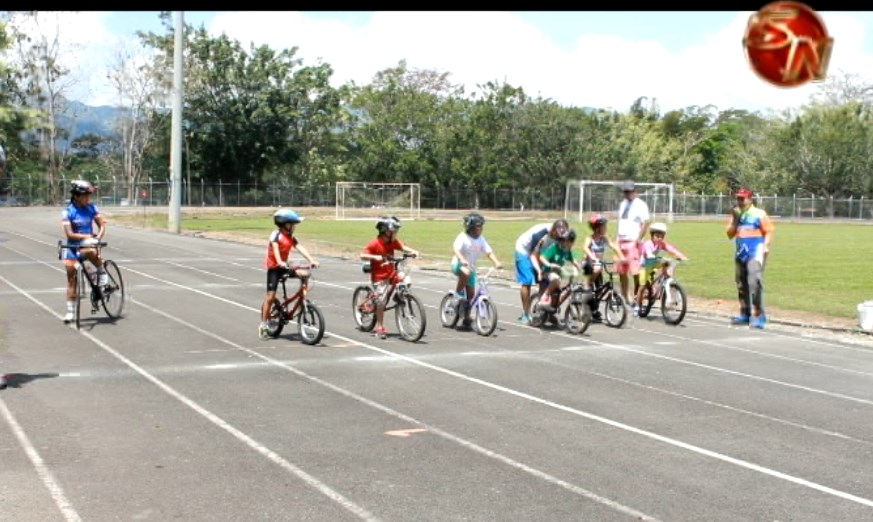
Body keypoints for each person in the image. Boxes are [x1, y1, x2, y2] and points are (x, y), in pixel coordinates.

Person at [259, 209, 320, 340]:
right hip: (275, 268)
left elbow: (300, 247)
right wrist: (280, 261)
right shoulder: (276, 235)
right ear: (285, 224)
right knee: (270, 297)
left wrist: (311, 260)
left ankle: (302, 300)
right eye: (293, 224)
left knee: (305, 274)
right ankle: (264, 325)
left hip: (285, 266)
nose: (295, 227)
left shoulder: (290, 237)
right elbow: (275, 249)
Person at [360, 215, 420, 339]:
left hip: (391, 273)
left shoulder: (392, 242)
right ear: (385, 231)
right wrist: (374, 257)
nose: (396, 233)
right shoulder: (375, 243)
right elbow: (362, 255)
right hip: (379, 277)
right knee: (381, 302)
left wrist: (413, 251)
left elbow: (403, 247)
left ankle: (400, 296)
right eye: (394, 231)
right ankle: (379, 327)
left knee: (406, 279)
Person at [60, 180, 108, 323]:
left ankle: (101, 271)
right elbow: (69, 234)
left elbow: (102, 226)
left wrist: (98, 238)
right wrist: (87, 236)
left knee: (89, 249)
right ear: (77, 196)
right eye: (85, 195)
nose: (88, 198)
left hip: (89, 244)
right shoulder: (67, 212)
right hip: (73, 248)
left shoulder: (92, 207)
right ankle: (70, 312)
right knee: (71, 280)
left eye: (89, 195)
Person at [726, 188, 774, 329]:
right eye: (738, 198)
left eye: (743, 198)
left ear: (750, 199)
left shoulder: (759, 214)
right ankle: (745, 314)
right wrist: (735, 219)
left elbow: (769, 231)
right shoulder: (736, 214)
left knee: (755, 283)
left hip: (755, 253)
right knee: (741, 285)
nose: (740, 201)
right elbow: (729, 234)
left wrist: (766, 245)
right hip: (741, 253)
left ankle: (759, 315)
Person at [451, 212, 503, 328]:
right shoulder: (463, 237)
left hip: (471, 268)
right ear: (470, 228)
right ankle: (458, 293)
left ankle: (467, 317)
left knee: (471, 295)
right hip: (457, 264)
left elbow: (489, 252)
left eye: (481, 227)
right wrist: (462, 259)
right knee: (466, 272)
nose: (481, 229)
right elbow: (456, 249)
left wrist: (496, 262)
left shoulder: (481, 239)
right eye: (478, 227)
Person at [513, 219, 570, 324]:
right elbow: (534, 254)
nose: (561, 238)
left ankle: (545, 313)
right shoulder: (542, 235)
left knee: (546, 281)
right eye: (559, 236)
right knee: (528, 281)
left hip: (539, 252)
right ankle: (525, 313)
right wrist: (539, 270)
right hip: (524, 250)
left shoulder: (560, 234)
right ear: (554, 231)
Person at [635, 222, 688, 313]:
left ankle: (666, 279)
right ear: (652, 235)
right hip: (645, 265)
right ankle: (637, 306)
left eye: (662, 236)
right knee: (642, 286)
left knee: (668, 262)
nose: (660, 238)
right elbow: (648, 252)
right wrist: (650, 255)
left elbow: (671, 249)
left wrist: (681, 256)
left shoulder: (661, 244)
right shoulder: (648, 244)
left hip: (654, 262)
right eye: (657, 236)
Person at [615, 180, 651, 315]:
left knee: (635, 273)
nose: (627, 193)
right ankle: (625, 298)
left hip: (633, 242)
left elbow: (645, 222)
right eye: (625, 191)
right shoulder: (623, 204)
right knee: (621, 272)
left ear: (634, 190)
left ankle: (637, 299)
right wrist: (616, 238)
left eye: (629, 191)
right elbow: (621, 222)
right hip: (621, 241)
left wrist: (638, 239)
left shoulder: (640, 205)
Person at [581, 214, 625, 321]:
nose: (606, 228)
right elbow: (585, 248)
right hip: (588, 264)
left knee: (600, 288)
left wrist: (622, 257)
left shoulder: (604, 238)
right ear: (597, 228)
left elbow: (614, 246)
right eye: (604, 226)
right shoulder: (590, 238)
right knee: (594, 277)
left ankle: (594, 309)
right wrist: (593, 257)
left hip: (598, 265)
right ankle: (587, 289)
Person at [536, 228, 583, 319]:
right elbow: (542, 257)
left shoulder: (568, 250)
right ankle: (545, 296)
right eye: (570, 241)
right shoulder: (554, 247)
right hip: (548, 271)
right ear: (564, 241)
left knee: (569, 285)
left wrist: (579, 266)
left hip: (558, 272)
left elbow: (574, 260)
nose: (572, 244)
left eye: (572, 242)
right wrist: (549, 264)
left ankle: (555, 305)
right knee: (556, 279)